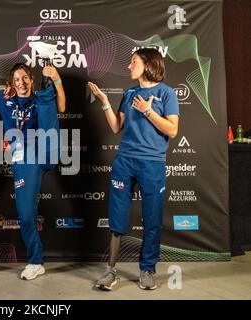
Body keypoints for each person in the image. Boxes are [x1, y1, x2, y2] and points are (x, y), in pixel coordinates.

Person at [88, 48, 179, 290]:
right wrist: (105, 103)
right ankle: (111, 271)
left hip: (152, 164)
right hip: (125, 162)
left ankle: (147, 270)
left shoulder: (166, 93)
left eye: (133, 62)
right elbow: (117, 127)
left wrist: (148, 111)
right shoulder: (129, 93)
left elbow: (172, 130)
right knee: (117, 217)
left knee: (152, 219)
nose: (129, 66)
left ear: (148, 64)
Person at [0, 62, 66, 280]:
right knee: (26, 213)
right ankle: (37, 261)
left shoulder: (40, 98)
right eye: (16, 80)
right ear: (11, 83)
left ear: (31, 79)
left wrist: (56, 79)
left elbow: (62, 107)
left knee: (46, 100)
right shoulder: (5, 99)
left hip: (43, 151)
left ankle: (35, 261)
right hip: (22, 159)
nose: (21, 83)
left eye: (25, 78)